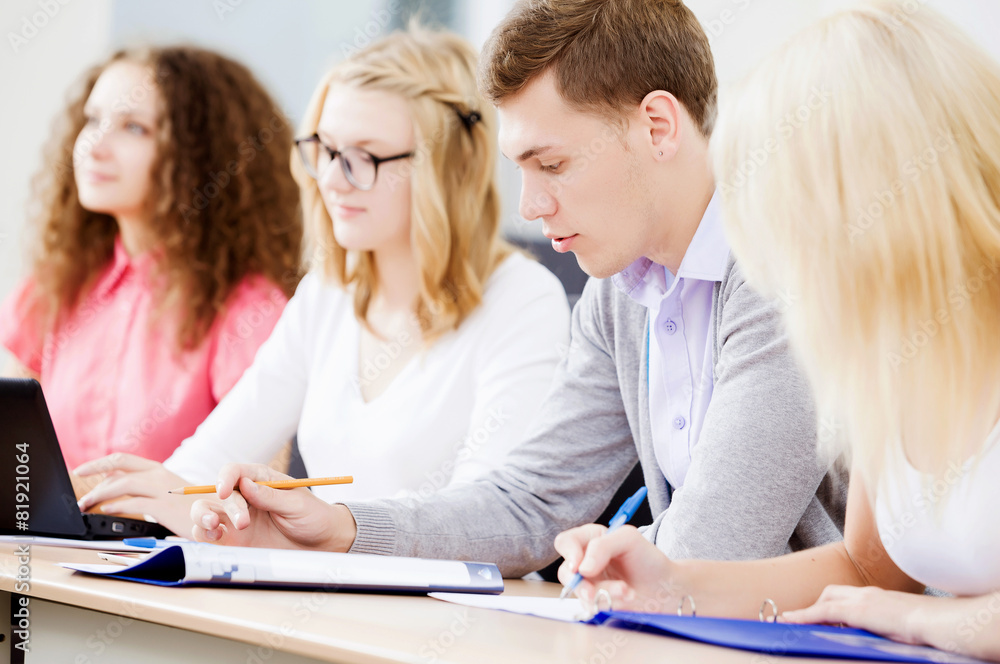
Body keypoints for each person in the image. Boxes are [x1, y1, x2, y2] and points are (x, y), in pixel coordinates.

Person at [186, 0, 848, 575]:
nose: (529, 205)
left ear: (658, 126)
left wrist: (618, 558)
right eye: (520, 168)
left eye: (552, 163)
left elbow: (713, 551)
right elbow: (529, 503)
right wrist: (342, 525)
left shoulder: (778, 269)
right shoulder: (620, 294)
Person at [551, 2, 1000, 661]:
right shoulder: (889, 361)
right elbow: (869, 571)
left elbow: (890, 600)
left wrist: (918, 618)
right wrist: (669, 582)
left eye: (792, 218)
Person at [76, 26, 570, 537]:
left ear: (445, 167)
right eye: (326, 150)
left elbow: (488, 523)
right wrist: (143, 494)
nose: (331, 179)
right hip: (327, 600)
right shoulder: (328, 294)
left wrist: (326, 532)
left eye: (364, 157)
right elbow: (200, 469)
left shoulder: (523, 301)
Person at [0, 46, 302, 471]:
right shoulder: (53, 285)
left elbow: (258, 491)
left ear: (199, 156)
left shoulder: (247, 309)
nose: (95, 146)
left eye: (134, 128)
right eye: (93, 119)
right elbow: (12, 461)